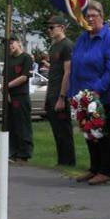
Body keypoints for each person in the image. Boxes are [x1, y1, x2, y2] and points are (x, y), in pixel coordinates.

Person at [69, 0, 110, 185]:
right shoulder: (82, 39)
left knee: (102, 134)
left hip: (102, 97)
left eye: (94, 16)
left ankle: (105, 170)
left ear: (102, 16)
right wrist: (73, 94)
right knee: (88, 133)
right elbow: (75, 67)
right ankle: (94, 168)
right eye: (87, 16)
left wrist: (96, 91)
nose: (90, 19)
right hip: (82, 96)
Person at [45, 15, 75, 167]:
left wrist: (62, 97)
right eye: (48, 27)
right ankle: (61, 160)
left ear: (62, 28)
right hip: (52, 91)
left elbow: (68, 72)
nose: (49, 30)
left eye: (52, 27)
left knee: (64, 130)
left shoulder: (67, 45)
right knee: (56, 129)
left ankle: (68, 162)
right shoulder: (53, 46)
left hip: (60, 93)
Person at [6, 36, 33, 163]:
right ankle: (14, 152)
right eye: (7, 44)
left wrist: (8, 86)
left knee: (23, 125)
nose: (10, 46)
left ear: (19, 43)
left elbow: (24, 77)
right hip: (9, 96)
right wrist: (6, 92)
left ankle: (24, 154)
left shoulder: (26, 58)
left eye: (12, 43)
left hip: (21, 95)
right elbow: (4, 77)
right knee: (12, 125)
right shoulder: (8, 59)